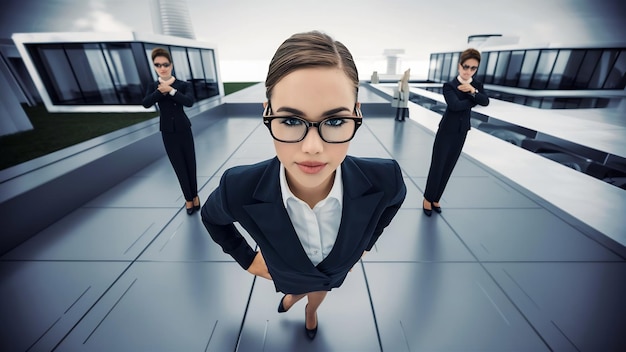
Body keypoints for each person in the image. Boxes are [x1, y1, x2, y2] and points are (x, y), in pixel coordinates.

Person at [201, 31, 406, 340]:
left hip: (335, 272)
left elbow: (393, 202)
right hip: (285, 274)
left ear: (357, 114)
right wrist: (246, 258)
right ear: (267, 113)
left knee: (320, 289)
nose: (312, 147)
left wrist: (364, 244)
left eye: (335, 121)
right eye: (292, 121)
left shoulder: (386, 179)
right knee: (304, 286)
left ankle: (310, 311)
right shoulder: (238, 188)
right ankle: (296, 297)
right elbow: (211, 217)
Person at [422, 48, 489, 216]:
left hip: (462, 131)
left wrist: (473, 92)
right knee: (437, 166)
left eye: (473, 68)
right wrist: (473, 100)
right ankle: (427, 199)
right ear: (459, 66)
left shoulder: (477, 86)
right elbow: (455, 106)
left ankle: (436, 198)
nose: (468, 71)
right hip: (446, 131)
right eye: (466, 67)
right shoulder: (449, 86)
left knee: (449, 166)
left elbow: (486, 101)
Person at [142, 47, 200, 215]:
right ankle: (188, 199)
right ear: (154, 67)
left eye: (165, 64)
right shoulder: (154, 86)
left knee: (190, 164)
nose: (162, 68)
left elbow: (189, 102)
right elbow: (146, 103)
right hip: (167, 131)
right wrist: (160, 91)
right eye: (158, 65)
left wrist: (172, 91)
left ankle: (195, 196)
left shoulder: (183, 84)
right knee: (179, 166)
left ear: (171, 65)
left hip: (184, 129)